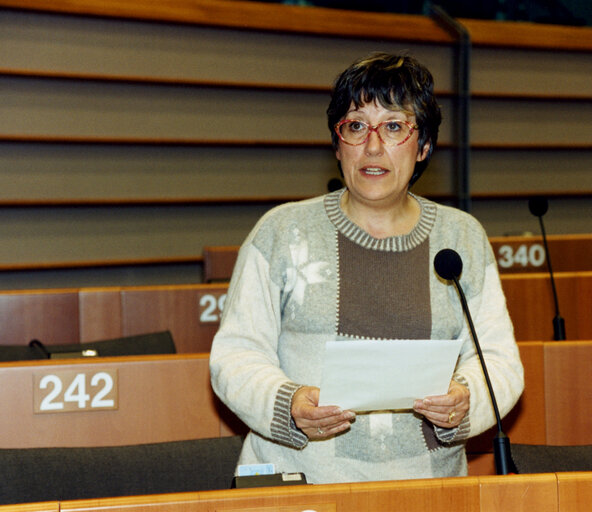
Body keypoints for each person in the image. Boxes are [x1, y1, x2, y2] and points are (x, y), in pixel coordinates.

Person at [209, 52, 524, 484]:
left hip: (428, 487)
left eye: (394, 126)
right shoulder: (281, 232)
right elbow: (235, 356)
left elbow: (498, 361)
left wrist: (464, 399)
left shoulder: (461, 237)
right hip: (300, 483)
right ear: (338, 144)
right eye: (356, 126)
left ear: (424, 145)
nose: (372, 146)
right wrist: (290, 404)